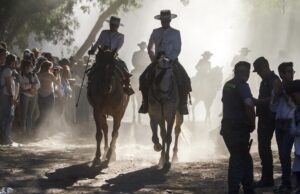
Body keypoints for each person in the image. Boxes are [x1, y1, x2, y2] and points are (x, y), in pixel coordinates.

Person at [139, 10, 192, 115]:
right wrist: (154, 59)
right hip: (157, 60)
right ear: (160, 20)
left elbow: (177, 49)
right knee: (142, 77)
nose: (164, 22)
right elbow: (150, 47)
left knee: (185, 79)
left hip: (172, 61)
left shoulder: (176, 33)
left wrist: (169, 59)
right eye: (163, 20)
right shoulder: (155, 31)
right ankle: (145, 103)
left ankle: (183, 105)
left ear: (170, 20)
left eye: (166, 20)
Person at [221, 61, 256, 194]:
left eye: (247, 72)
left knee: (243, 157)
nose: (246, 74)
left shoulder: (227, 85)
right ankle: (236, 189)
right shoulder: (243, 86)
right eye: (245, 72)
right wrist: (253, 122)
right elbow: (248, 104)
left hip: (227, 128)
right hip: (239, 128)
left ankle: (248, 187)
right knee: (238, 158)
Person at [88, 16, 134, 95]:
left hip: (113, 56)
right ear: (110, 24)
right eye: (112, 25)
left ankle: (127, 85)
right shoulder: (104, 32)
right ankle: (90, 84)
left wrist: (111, 51)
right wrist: (93, 50)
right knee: (93, 70)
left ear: (118, 26)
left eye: (115, 25)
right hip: (102, 55)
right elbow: (98, 42)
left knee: (123, 66)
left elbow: (118, 47)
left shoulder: (121, 36)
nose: (113, 27)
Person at [252, 57, 280, 187]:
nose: (257, 74)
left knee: (264, 148)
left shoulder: (273, 80)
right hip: (265, 117)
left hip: (268, 118)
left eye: (258, 71)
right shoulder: (266, 80)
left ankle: (267, 179)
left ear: (265, 67)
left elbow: (274, 98)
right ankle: (267, 177)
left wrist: (258, 102)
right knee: (264, 148)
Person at [270, 62, 296, 193]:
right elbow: (273, 108)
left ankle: (287, 182)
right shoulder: (277, 87)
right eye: (289, 71)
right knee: (282, 155)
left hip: (290, 123)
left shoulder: (295, 87)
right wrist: (276, 95)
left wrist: (284, 94)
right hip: (279, 123)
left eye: (292, 71)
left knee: (285, 153)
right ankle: (286, 182)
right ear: (282, 74)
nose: (292, 74)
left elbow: (294, 106)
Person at [0, 54, 19, 145]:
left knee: (8, 116)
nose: (16, 63)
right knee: (8, 116)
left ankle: (5, 136)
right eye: (15, 61)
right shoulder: (7, 70)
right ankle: (5, 137)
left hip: (7, 95)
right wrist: (12, 97)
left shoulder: (9, 70)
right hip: (6, 95)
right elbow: (8, 85)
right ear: (12, 61)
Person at [285, 80, 300, 194]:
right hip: (299, 149)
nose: (292, 99)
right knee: (297, 171)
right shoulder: (295, 110)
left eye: (294, 96)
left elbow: (294, 130)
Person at [19, 59, 40, 137]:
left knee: (30, 114)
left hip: (33, 96)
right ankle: (23, 131)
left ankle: (28, 132)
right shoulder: (20, 74)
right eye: (30, 66)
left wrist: (31, 87)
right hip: (25, 96)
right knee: (23, 114)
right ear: (25, 67)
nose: (31, 67)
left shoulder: (33, 74)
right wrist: (31, 86)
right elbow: (22, 86)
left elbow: (38, 84)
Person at [36, 61, 60, 129]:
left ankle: (38, 128)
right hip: (49, 96)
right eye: (51, 67)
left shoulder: (38, 74)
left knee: (42, 113)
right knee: (48, 113)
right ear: (48, 67)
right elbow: (57, 83)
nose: (51, 68)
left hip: (40, 95)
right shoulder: (50, 75)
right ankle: (38, 128)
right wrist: (58, 74)